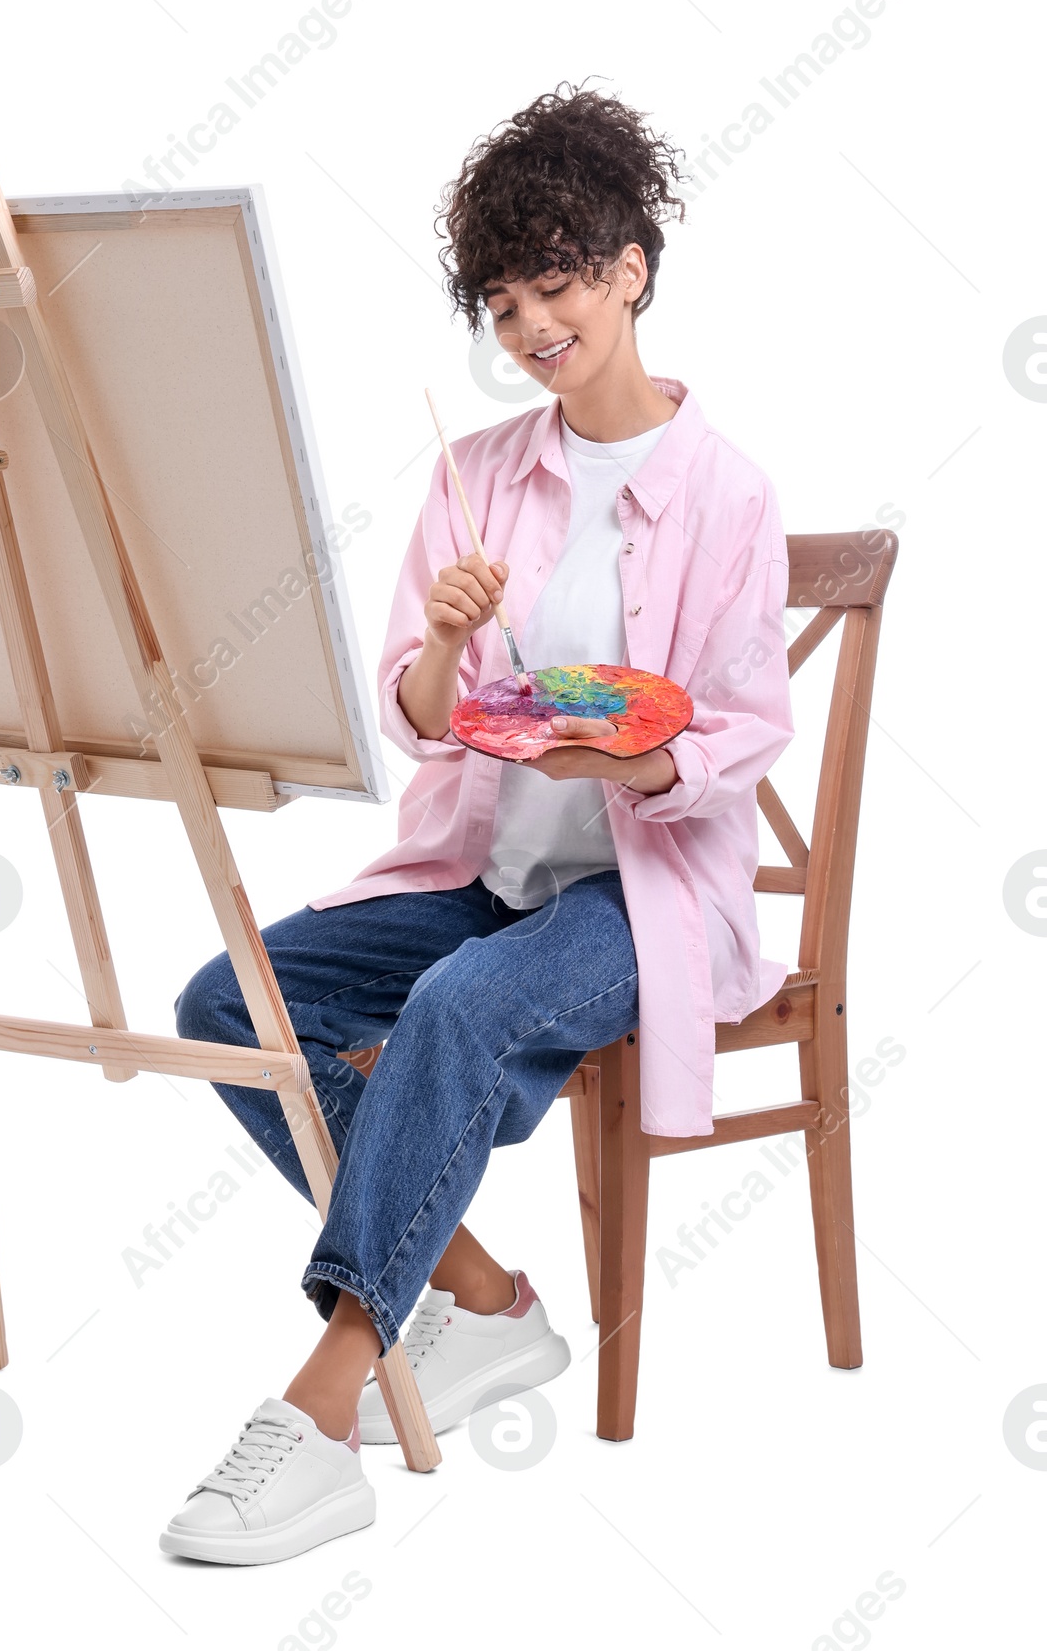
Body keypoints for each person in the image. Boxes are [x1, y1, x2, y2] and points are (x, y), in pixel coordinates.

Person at [161, 85, 794, 1564]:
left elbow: (743, 733)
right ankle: (489, 1306)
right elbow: (420, 709)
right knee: (227, 999)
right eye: (503, 303)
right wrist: (447, 645)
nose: (529, 328)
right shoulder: (477, 476)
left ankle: (321, 1414)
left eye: (557, 284)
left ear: (633, 267)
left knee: (448, 1012)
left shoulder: (726, 492)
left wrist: (624, 755)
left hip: (641, 903)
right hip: (485, 875)